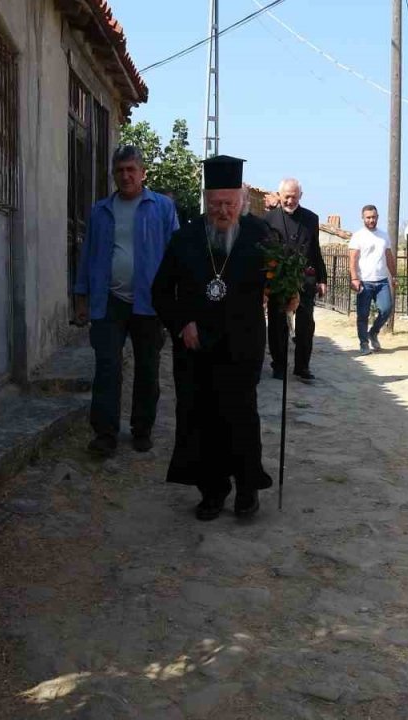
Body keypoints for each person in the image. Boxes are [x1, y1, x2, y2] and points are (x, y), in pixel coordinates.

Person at [152, 155, 288, 521]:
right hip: (197, 346)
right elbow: (161, 291)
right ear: (206, 202)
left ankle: (246, 490)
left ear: (242, 202)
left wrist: (289, 294)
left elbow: (280, 283)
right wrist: (183, 323)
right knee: (202, 417)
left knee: (240, 415)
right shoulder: (186, 238)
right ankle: (212, 490)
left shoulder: (261, 236)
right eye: (215, 205)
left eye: (229, 204)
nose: (222, 212)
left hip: (243, 343)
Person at [73, 145, 180, 457]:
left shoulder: (162, 208)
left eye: (131, 169)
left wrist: (174, 300)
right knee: (107, 366)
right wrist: (81, 297)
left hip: (150, 303)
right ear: (113, 174)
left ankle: (141, 429)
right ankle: (105, 434)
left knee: (147, 368)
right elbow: (88, 255)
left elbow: (176, 255)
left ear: (143, 173)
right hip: (109, 301)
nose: (125, 175)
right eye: (120, 170)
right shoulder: (100, 211)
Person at [264, 179, 327, 381]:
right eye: (286, 196)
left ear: (301, 195)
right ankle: (279, 365)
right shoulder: (268, 219)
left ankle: (302, 366)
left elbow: (315, 250)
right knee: (277, 324)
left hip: (304, 280)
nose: (290, 200)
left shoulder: (310, 219)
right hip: (278, 280)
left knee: (306, 324)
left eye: (294, 196)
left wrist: (322, 278)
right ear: (280, 195)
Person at [348, 204, 396, 355]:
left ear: (377, 217)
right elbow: (353, 259)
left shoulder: (384, 235)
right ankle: (364, 343)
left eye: (373, 217)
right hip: (364, 281)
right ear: (363, 218)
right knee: (363, 314)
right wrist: (354, 278)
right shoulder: (358, 236)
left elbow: (388, 257)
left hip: (381, 281)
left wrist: (394, 276)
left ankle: (373, 332)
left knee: (386, 309)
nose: (371, 220)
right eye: (368, 217)